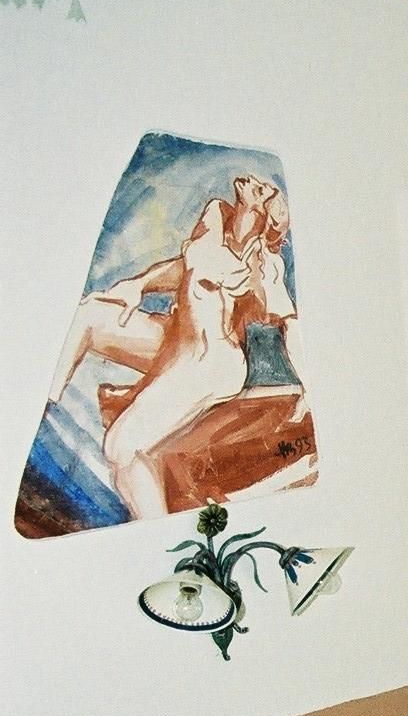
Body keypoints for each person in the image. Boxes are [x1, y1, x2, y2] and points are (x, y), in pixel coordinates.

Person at [50, 175, 306, 519]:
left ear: (265, 214)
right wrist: (139, 284)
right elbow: (186, 268)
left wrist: (311, 389)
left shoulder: (265, 264)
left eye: (263, 190)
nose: (253, 181)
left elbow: (289, 323)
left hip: (210, 360)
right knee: (90, 313)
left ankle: (155, 530)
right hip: (175, 338)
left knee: (121, 447)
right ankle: (39, 411)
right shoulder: (218, 217)